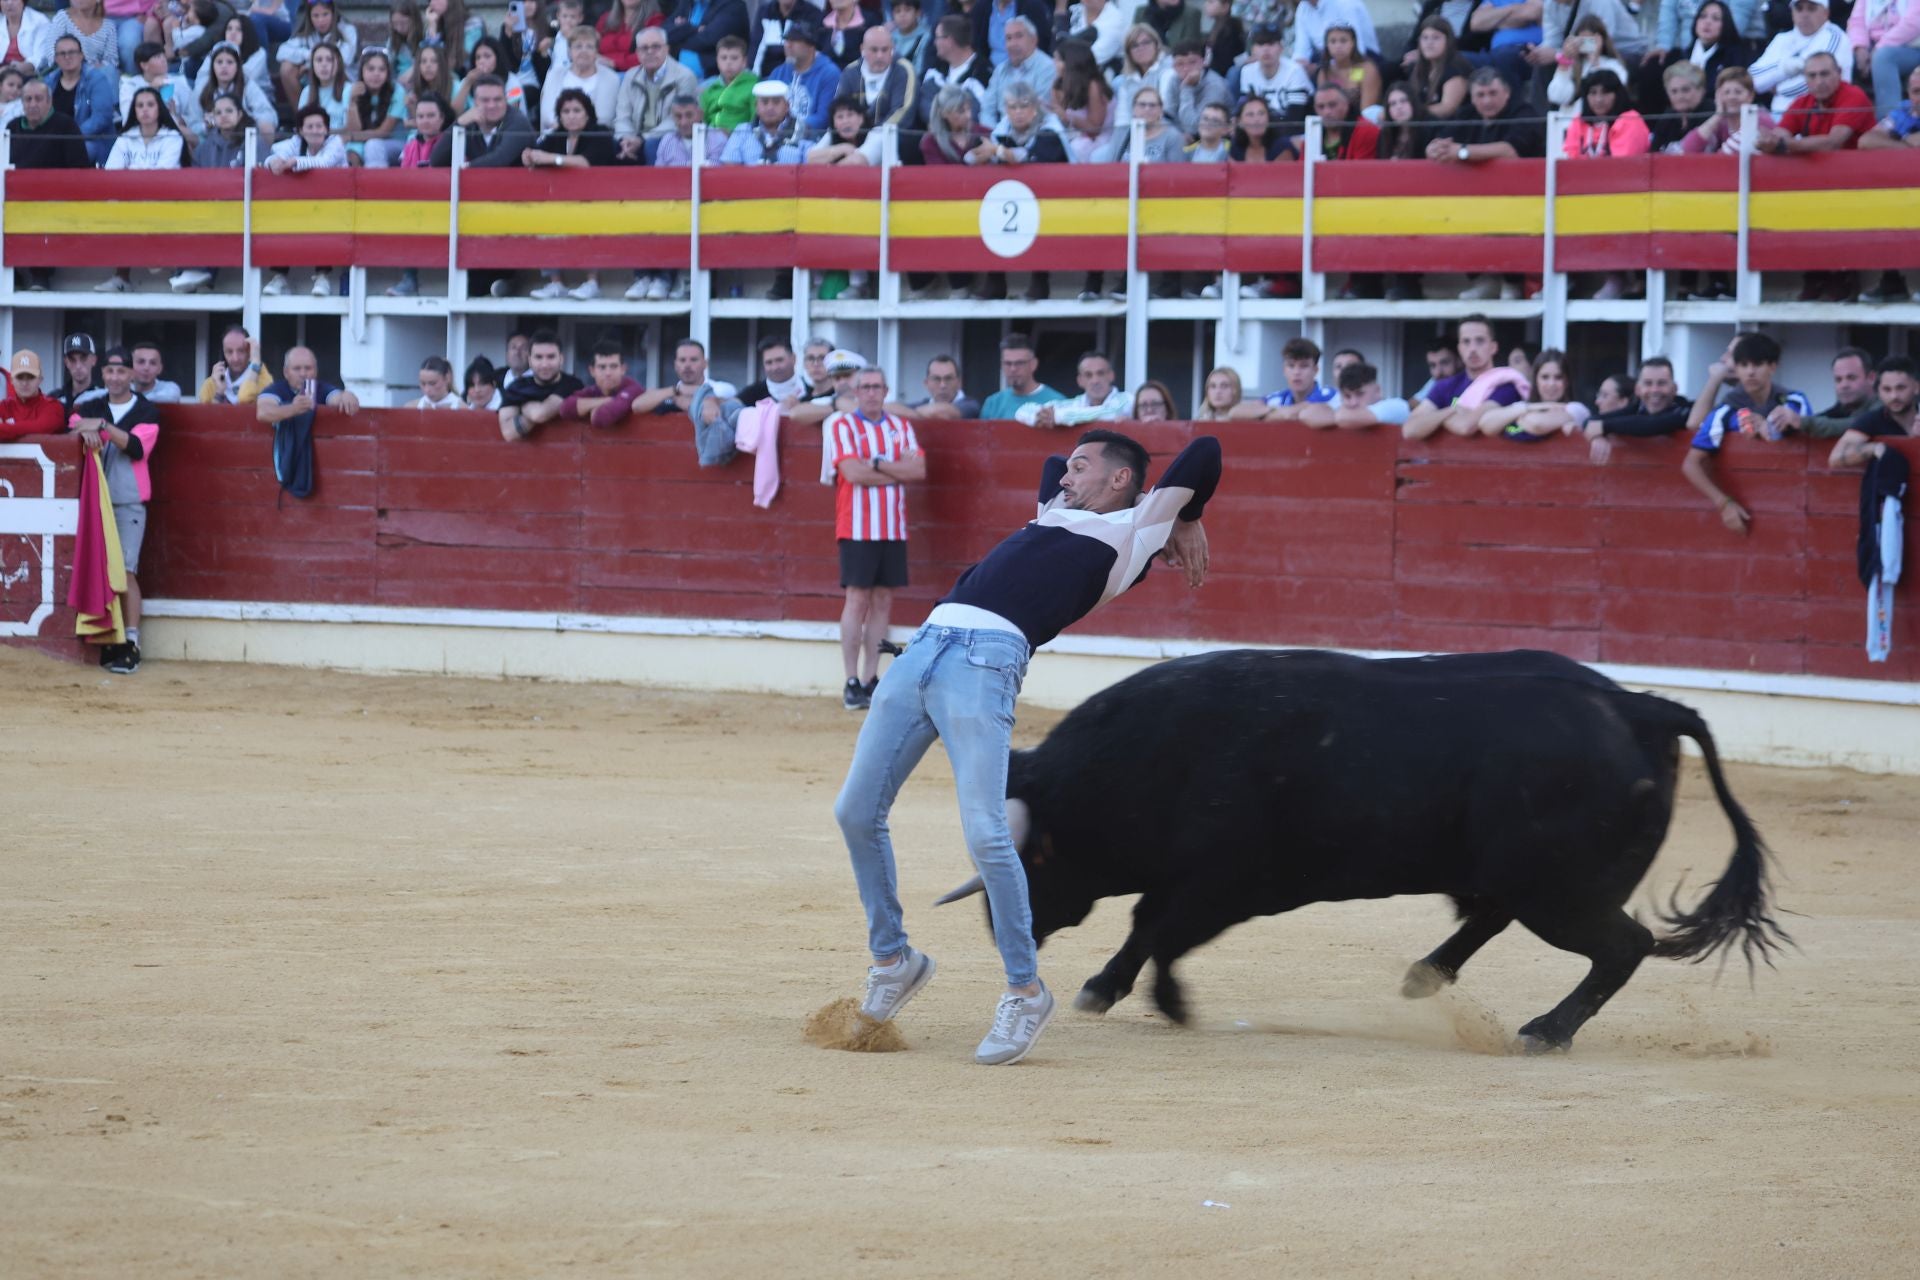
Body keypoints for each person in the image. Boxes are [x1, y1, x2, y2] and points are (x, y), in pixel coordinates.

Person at [832, 426, 1218, 1065]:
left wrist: (1182, 515)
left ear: (1121, 480)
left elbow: (1204, 450)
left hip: (985, 661)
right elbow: (1050, 465)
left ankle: (1024, 989)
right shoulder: (1056, 511)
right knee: (854, 811)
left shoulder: (1136, 531)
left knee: (987, 832)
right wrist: (1081, 473)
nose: (1063, 478)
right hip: (923, 647)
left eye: (1082, 467)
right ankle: (893, 959)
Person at [827, 366, 925, 711]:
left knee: (882, 601)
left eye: (876, 387)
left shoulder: (900, 425)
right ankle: (851, 679)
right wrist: (893, 468)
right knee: (857, 600)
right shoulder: (843, 425)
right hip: (856, 526)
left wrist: (877, 464)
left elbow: (918, 470)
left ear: (886, 390)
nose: (870, 392)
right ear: (855, 392)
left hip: (892, 527)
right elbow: (852, 473)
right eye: (864, 387)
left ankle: (871, 677)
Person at [68, 347, 162, 674]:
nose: (115, 377)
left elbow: (137, 448)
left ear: (131, 375)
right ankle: (111, 635)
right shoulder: (90, 406)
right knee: (100, 570)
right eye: (110, 372)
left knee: (127, 571)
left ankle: (131, 640)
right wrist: (88, 426)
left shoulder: (147, 411)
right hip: (94, 503)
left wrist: (103, 426)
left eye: (121, 372)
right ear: (103, 374)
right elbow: (73, 423)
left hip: (127, 501)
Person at [1430, 69, 1545, 302]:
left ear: (1507, 93)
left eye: (1493, 93)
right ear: (1472, 98)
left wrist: (1461, 152)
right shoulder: (1468, 114)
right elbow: (1441, 139)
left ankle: (1511, 283)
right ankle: (1487, 280)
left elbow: (1509, 151)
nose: (1487, 101)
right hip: (1478, 201)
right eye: (1480, 95)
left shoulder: (1524, 112)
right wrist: (1433, 148)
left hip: (1527, 200)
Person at [1681, 332, 1811, 534]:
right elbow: (1691, 462)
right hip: (1750, 511)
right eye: (1743, 365)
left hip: (1798, 505)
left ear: (1772, 367)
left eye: (1757, 364)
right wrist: (1724, 503)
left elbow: (1806, 434)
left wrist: (1771, 428)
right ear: (1737, 370)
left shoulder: (1794, 401)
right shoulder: (1725, 412)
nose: (1750, 372)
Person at [526, 88, 617, 300]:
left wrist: (550, 158)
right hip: (562, 202)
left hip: (599, 202)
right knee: (543, 220)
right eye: (566, 111)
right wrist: (530, 156)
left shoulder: (599, 133)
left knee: (587, 220)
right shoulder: (557, 136)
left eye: (577, 110)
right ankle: (556, 283)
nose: (571, 115)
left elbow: (585, 162)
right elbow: (538, 154)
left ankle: (592, 282)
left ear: (588, 113)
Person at [261, 106, 349, 299]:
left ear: (327, 129)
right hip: (301, 206)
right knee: (282, 221)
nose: (315, 130)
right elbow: (275, 155)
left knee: (323, 224)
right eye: (310, 126)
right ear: (301, 130)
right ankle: (279, 277)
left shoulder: (335, 143)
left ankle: (322, 277)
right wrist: (272, 162)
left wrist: (293, 163)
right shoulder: (295, 143)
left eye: (320, 126)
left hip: (334, 206)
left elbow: (324, 163)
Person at [1403, 313, 1525, 439]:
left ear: (1493, 347)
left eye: (1480, 341)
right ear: (1459, 348)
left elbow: (1466, 426)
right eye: (1466, 342)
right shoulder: (1445, 386)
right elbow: (1410, 429)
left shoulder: (1505, 384)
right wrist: (1453, 410)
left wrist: (1434, 419)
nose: (1472, 348)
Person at [1584, 356, 1692, 463]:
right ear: (1638, 389)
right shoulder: (1635, 409)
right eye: (1648, 383)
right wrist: (1597, 437)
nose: (1654, 390)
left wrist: (1604, 427)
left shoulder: (1685, 409)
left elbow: (1654, 424)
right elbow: (1589, 421)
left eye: (1662, 383)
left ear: (1675, 388)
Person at [1750, 0, 1850, 114]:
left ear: (1825, 13)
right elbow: (1752, 81)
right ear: (1792, 13)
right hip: (1778, 116)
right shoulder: (1782, 39)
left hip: (1819, 115)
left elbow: (1816, 85)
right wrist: (1786, 69)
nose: (1804, 14)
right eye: (1799, 8)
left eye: (1811, 8)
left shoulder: (1836, 37)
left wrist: (1778, 88)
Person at [1827, 356, 1916, 469]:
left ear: (1917, 387)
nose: (1894, 396)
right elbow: (1835, 458)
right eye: (1887, 389)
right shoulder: (1872, 419)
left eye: (1901, 388)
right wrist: (1874, 448)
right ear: (1878, 391)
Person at [558, 340, 674, 426]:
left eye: (613, 366)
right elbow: (565, 409)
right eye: (602, 367)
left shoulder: (633, 388)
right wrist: (607, 400)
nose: (608, 373)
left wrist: (586, 406)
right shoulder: (593, 390)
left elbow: (601, 418)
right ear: (592, 371)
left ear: (623, 369)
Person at [497, 331, 587, 441]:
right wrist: (535, 413)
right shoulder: (516, 387)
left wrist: (525, 407)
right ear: (530, 360)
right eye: (539, 357)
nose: (545, 364)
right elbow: (509, 433)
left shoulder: (572, 384)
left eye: (551, 357)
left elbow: (540, 415)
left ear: (561, 359)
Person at [47, 34, 120, 164]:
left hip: (90, 140)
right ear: (56, 58)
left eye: (72, 52)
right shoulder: (49, 82)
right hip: (55, 138)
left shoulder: (97, 79)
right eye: (62, 53)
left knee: (79, 150)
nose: (67, 57)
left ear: (81, 55)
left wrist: (71, 136)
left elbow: (102, 117)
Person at [277, 0, 358, 108]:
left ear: (333, 13)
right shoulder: (306, 33)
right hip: (314, 78)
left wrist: (309, 66)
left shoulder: (347, 30)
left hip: (342, 79)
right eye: (316, 15)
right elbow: (282, 52)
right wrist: (309, 55)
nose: (321, 20)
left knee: (330, 66)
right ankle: (302, 117)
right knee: (286, 68)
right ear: (309, 16)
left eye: (325, 14)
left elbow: (343, 59)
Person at [1019, 351, 1133, 427]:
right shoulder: (1074, 404)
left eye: (1100, 373)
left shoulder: (1127, 399)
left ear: (1111, 375)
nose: (1095, 380)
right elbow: (1023, 410)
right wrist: (1038, 417)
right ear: (1080, 380)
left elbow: (1109, 413)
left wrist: (1059, 417)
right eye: (1088, 375)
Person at [1288, 360, 1411, 429]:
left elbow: (1344, 418)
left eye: (1360, 394)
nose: (1353, 402)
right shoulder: (1342, 410)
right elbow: (1306, 414)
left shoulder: (1396, 406)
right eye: (1347, 396)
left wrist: (1334, 416)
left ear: (1377, 390)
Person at [1853, 0, 1920, 123]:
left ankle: (1889, 122)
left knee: (1883, 57)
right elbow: (1856, 22)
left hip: (1912, 47)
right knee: (1846, 55)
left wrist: (1877, 49)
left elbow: (1914, 22)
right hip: (1874, 47)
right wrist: (1860, 48)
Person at [835, 23, 915, 126]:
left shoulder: (904, 70)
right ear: (862, 49)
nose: (879, 56)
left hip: (892, 138)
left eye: (885, 50)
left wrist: (872, 137)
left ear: (892, 48)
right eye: (874, 50)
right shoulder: (850, 71)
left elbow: (903, 112)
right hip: (855, 137)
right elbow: (838, 110)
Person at [1225, 24, 1310, 120]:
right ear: (1252, 50)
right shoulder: (1247, 72)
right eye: (1260, 44)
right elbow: (1246, 112)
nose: (1266, 49)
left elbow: (1295, 119)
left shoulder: (1295, 71)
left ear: (1281, 48)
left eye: (1271, 43)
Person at [981, 14, 1054, 125]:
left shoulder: (1047, 68)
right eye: (1008, 38)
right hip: (1000, 135)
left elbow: (1041, 112)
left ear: (1034, 40)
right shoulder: (1000, 70)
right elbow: (986, 110)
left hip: (1035, 134)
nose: (1012, 43)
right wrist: (994, 134)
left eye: (1019, 36)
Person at [196, 39, 275, 140]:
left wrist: (240, 120)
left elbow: (266, 113)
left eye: (230, 62)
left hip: (243, 134)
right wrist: (206, 125)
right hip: (211, 137)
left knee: (266, 127)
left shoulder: (248, 85)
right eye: (219, 62)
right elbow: (193, 123)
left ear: (237, 66)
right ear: (212, 66)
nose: (224, 67)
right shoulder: (202, 89)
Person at [918, 13, 990, 124]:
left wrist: (943, 118)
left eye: (937, 37)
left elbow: (975, 115)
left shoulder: (983, 74)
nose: (934, 42)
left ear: (949, 41)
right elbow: (924, 106)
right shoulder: (935, 70)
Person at [344, 47, 409, 165]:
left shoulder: (397, 91)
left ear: (388, 73)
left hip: (394, 142)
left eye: (382, 69)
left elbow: (383, 132)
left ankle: (375, 183)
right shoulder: (351, 90)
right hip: (362, 139)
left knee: (372, 145)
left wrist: (351, 137)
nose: (376, 74)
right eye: (371, 69)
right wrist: (352, 102)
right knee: (352, 150)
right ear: (362, 71)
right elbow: (353, 129)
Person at [1051, 34, 1110, 164]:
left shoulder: (1093, 86)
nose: (1053, 64)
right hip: (1075, 137)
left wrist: (1067, 117)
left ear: (1071, 63)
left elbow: (1095, 129)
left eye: (1058, 60)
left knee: (1074, 149)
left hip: (1101, 141)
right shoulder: (1058, 85)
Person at [720, 75, 807, 163]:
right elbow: (729, 167)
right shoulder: (743, 130)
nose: (770, 107)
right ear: (756, 107)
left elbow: (813, 168)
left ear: (787, 106)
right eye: (765, 102)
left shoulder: (802, 130)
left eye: (776, 102)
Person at [768, 21, 838, 128]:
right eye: (786, 40)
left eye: (794, 40)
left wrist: (790, 128)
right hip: (775, 133)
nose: (788, 45)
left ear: (811, 46)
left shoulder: (829, 73)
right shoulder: (778, 72)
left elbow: (824, 118)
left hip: (811, 139)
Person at [981, 334, 1066, 420]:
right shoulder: (993, 403)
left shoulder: (1057, 402)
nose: (1013, 369)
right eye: (1007, 363)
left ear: (1034, 364)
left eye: (1019, 363)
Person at [1406, 15, 1470, 120]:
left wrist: (1412, 112)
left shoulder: (1456, 68)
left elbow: (1447, 108)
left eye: (1436, 37)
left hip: (1449, 129)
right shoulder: (1416, 67)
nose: (1429, 43)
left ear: (1448, 41)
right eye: (1425, 38)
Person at [665, 0, 749, 78]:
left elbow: (708, 39)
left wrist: (677, 36)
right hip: (675, 74)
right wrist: (693, 28)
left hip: (713, 78)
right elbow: (664, 32)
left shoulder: (733, 6)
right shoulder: (689, 2)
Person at [1805, 347, 1876, 437]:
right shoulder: (1840, 409)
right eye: (1838, 380)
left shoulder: (1883, 409)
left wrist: (1803, 423)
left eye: (1851, 378)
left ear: (1871, 378)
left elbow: (1857, 424)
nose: (1844, 385)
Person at [1261, 336, 1337, 419]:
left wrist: (1272, 413)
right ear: (1284, 370)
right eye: (1291, 366)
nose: (1296, 372)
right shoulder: (1277, 397)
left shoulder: (1332, 395)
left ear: (1315, 370)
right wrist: (1272, 410)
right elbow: (1246, 409)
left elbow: (1289, 414)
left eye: (1304, 366)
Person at [1166, 38, 1230, 137]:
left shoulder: (1215, 85)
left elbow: (1196, 128)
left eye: (1192, 62)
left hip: (1214, 136)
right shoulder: (1174, 80)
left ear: (1203, 62)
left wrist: (1186, 88)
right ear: (1173, 66)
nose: (1186, 68)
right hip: (1182, 135)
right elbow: (1168, 116)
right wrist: (1179, 134)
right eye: (1180, 64)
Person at [1290, 0, 1379, 70]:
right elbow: (1301, 50)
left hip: (1361, 57)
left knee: (1357, 80)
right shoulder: (1302, 9)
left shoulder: (1345, 3)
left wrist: (1323, 67)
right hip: (1326, 60)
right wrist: (1300, 66)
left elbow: (1358, 47)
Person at [1316, 23, 1379, 118]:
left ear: (1353, 43)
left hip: (1362, 123)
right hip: (1332, 123)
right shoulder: (1324, 72)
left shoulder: (1365, 69)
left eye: (1343, 41)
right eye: (1333, 42)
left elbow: (1367, 112)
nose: (1338, 46)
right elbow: (1322, 107)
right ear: (1327, 46)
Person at [0, 350, 67, 441]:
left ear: (40, 379)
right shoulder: (4, 407)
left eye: (30, 377)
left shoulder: (53, 406)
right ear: (11, 380)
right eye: (20, 377)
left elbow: (40, 427)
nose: (24, 383)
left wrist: (5, 428)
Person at [699, 32, 759, 130]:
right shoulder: (708, 89)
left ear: (744, 61)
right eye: (723, 58)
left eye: (734, 58)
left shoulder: (754, 87)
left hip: (741, 137)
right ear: (717, 61)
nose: (728, 63)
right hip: (710, 137)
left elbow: (755, 121)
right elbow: (702, 121)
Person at [198, 325, 270, 403]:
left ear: (250, 351)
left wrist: (255, 363)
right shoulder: (210, 386)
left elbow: (246, 398)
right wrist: (219, 393)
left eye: (241, 351)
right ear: (223, 354)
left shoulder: (264, 381)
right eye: (229, 351)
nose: (235, 358)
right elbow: (206, 415)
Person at [973, 0, 1053, 69]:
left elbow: (1042, 45)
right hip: (991, 74)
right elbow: (978, 48)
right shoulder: (981, 7)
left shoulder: (1033, 6)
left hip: (1026, 72)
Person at [897, 354, 981, 419]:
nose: (942, 385)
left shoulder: (971, 405)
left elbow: (943, 413)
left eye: (948, 378)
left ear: (959, 382)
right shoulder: (924, 404)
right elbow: (888, 409)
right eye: (936, 379)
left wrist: (908, 413)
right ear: (926, 383)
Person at [749, 0, 822, 75]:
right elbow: (754, 48)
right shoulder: (764, 11)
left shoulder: (813, 14)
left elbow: (814, 54)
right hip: (763, 79)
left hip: (798, 79)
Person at [736, 334, 809, 407]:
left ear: (794, 359)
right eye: (769, 362)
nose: (775, 367)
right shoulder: (750, 394)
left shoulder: (811, 390)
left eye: (779, 360)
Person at [598, 0, 664, 72]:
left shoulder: (654, 20)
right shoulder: (605, 18)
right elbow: (591, 44)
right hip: (600, 72)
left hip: (634, 74)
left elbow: (650, 54)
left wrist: (613, 63)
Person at [0, 0, 53, 74]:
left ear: (23, 1)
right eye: (5, 0)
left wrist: (16, 69)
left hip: (27, 73)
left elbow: (40, 57)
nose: (9, 3)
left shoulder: (40, 21)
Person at [59, 333, 104, 413]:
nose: (78, 366)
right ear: (66, 362)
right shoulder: (54, 398)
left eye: (83, 359)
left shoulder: (103, 397)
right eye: (72, 360)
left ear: (94, 360)